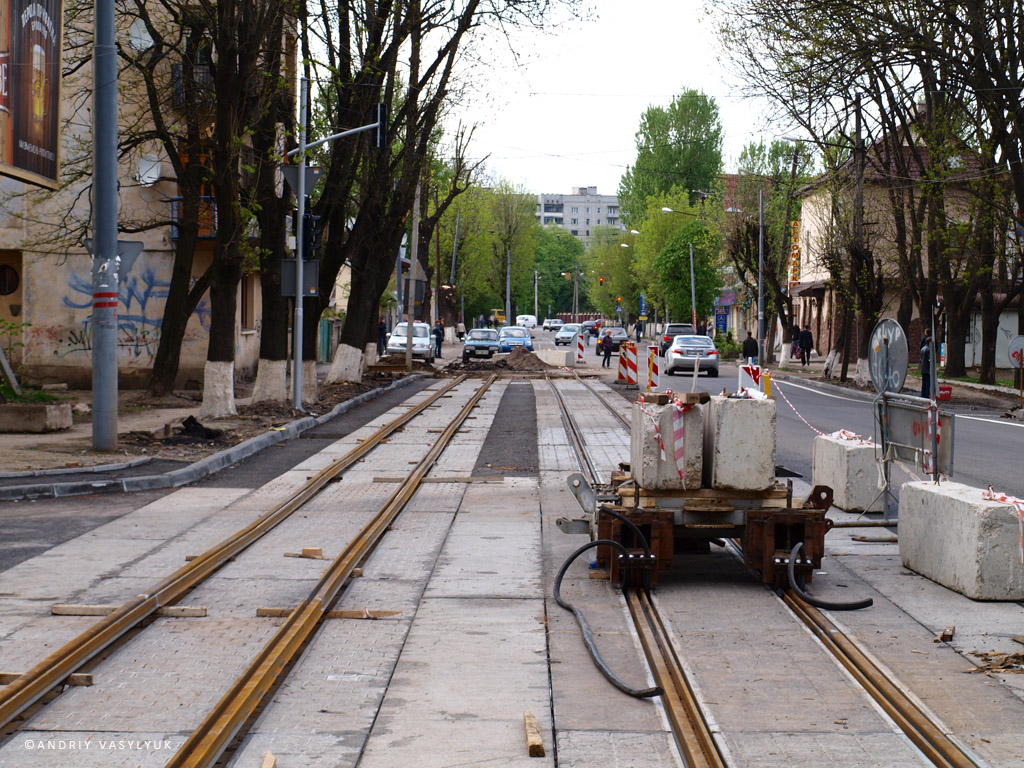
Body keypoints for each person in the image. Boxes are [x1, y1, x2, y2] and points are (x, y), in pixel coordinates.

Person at [920, 328, 933, 399]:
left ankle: (923, 394)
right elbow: (930, 360)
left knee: (924, 382)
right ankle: (927, 395)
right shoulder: (928, 350)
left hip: (923, 368)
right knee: (928, 382)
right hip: (927, 369)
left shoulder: (923, 349)